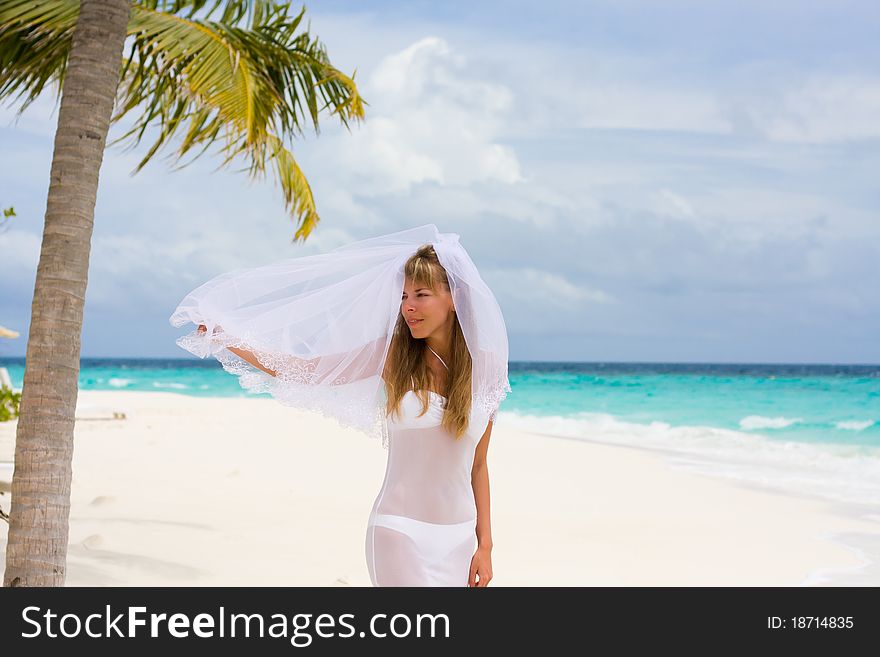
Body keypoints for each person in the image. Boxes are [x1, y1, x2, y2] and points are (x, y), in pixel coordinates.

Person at [176, 224, 510, 587]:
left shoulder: (487, 367)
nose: (408, 307)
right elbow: (308, 369)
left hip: (460, 541)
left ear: (454, 298)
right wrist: (226, 337)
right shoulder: (394, 354)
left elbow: (478, 465)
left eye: (421, 294)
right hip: (399, 533)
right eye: (402, 296)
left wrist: (485, 546)